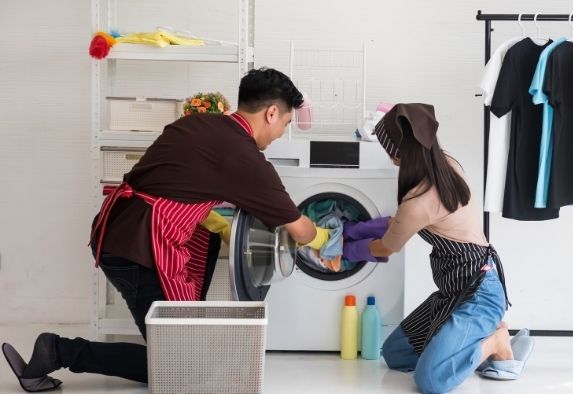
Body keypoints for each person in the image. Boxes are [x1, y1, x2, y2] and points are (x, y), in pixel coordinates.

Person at [1, 68, 332, 392]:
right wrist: (327, 239)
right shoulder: (244, 157)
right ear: (272, 113)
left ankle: (186, 333)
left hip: (118, 230)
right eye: (285, 125)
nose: (278, 136)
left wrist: (222, 224)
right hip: (139, 249)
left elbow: (174, 184)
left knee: (187, 339)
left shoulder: (197, 123)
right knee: (183, 365)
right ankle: (58, 350)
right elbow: (299, 230)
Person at [342, 103, 533, 393]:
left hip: (479, 293)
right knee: (395, 354)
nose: (389, 158)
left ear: (398, 154)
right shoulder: (446, 164)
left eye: (388, 150)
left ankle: (497, 341)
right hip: (453, 291)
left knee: (431, 381)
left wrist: (345, 249)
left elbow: (385, 247)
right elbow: (398, 224)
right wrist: (354, 231)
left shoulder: (418, 202)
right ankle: (465, 342)